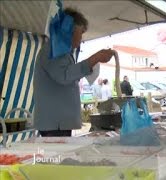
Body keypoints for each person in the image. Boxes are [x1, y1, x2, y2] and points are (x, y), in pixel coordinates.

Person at [33, 8, 117, 137]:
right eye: (81, 32)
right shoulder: (52, 50)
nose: (81, 38)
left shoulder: (62, 52)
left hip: (59, 122)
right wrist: (94, 59)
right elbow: (64, 76)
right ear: (70, 30)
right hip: (54, 123)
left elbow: (67, 76)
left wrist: (91, 64)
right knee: (57, 156)